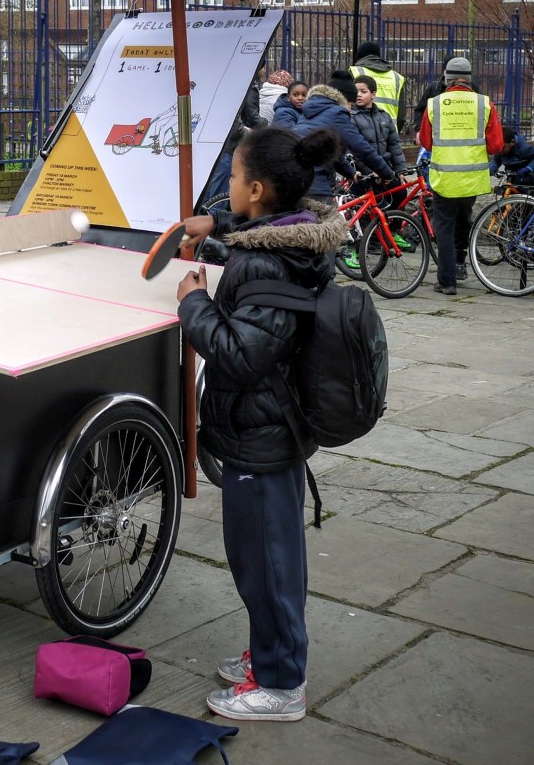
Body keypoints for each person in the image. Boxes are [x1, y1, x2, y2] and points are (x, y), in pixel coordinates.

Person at [176, 125, 347, 723]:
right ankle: (271, 653)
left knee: (268, 563)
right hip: (266, 430)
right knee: (261, 558)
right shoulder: (284, 239)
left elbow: (242, 353)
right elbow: (253, 238)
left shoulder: (273, 267)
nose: (226, 190)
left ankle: (281, 685)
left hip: (264, 435)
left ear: (255, 188)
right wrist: (216, 226)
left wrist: (193, 301)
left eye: (231, 181)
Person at [419, 59, 503, 294]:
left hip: (444, 178)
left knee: (444, 226)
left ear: (447, 78)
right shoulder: (485, 104)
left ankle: (447, 282)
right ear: (469, 77)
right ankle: (459, 264)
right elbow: (496, 145)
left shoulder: (434, 104)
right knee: (463, 221)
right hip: (472, 179)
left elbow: (426, 142)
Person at [292, 71, 394, 203]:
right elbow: (360, 147)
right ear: (344, 100)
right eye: (351, 104)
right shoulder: (336, 113)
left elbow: (328, 150)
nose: (351, 109)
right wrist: (386, 172)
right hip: (314, 180)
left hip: (296, 176)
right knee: (326, 220)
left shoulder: (312, 110)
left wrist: (350, 173)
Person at [203, 60, 268, 200]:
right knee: (219, 195)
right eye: (262, 68)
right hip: (229, 147)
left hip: (219, 146)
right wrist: (248, 133)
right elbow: (236, 125)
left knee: (212, 193)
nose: (264, 72)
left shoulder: (222, 88)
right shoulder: (237, 90)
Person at [350, 40, 406, 132]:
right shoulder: (397, 78)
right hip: (389, 132)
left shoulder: (355, 72)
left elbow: (347, 105)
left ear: (359, 57)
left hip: (361, 131)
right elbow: (401, 116)